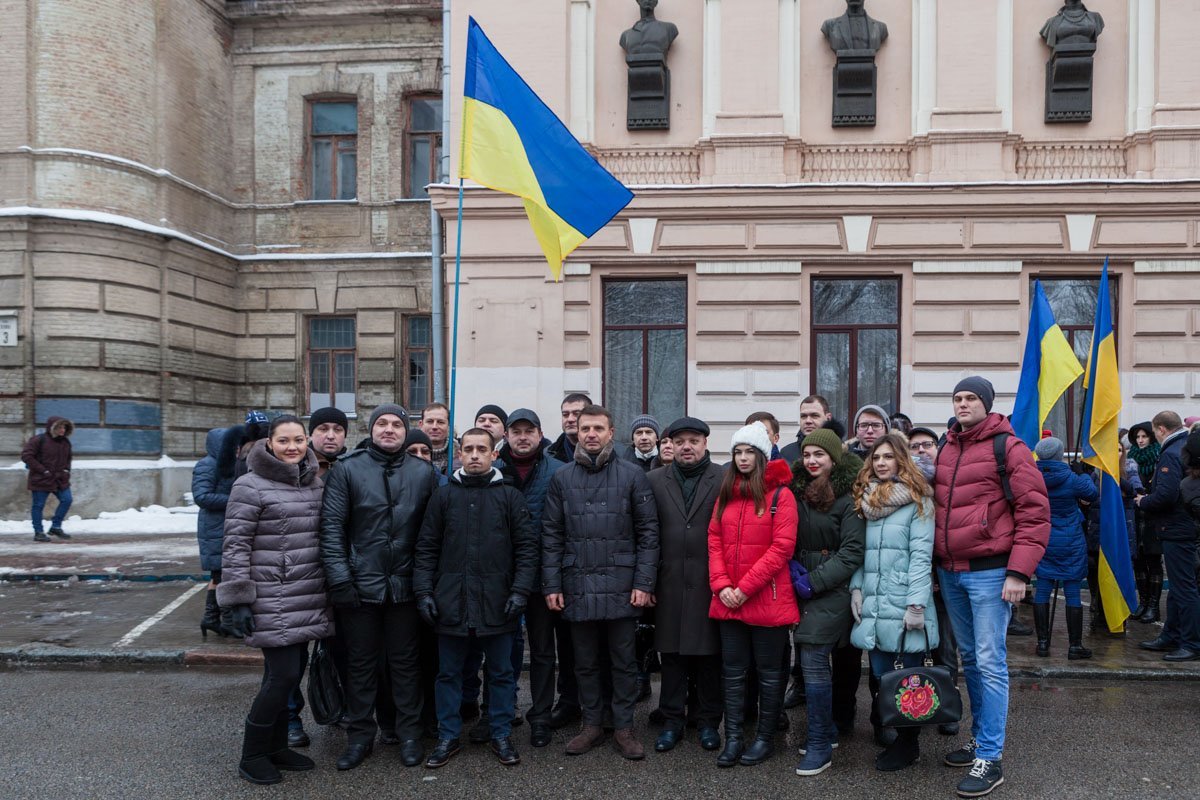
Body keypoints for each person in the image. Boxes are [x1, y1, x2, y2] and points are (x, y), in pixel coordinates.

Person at [934, 377, 1049, 798]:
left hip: (990, 573)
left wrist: (1019, 572)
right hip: (951, 572)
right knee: (970, 659)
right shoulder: (948, 447)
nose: (963, 404)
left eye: (971, 398)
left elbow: (1035, 512)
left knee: (989, 661)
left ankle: (990, 757)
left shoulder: (1009, 448)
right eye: (957, 398)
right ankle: (980, 738)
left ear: (986, 404)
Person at [319, 403, 440, 770]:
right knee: (361, 665)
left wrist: (424, 585)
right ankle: (360, 737)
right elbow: (332, 529)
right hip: (360, 586)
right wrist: (341, 579)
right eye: (382, 423)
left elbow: (432, 534)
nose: (389, 429)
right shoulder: (347, 469)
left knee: (406, 664)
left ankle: (409, 734)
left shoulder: (424, 473)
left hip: (405, 587)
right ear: (371, 430)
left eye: (396, 425)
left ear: (406, 431)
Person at [218, 415, 333, 785]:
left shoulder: (313, 482)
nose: (292, 447)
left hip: (307, 594)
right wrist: (238, 599)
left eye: (298, 440)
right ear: (269, 443)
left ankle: (278, 746)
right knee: (282, 675)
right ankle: (252, 755)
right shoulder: (249, 485)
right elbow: (235, 544)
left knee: (290, 674)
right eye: (284, 440)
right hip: (271, 595)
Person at [415, 428, 539, 769]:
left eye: (481, 449)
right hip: (451, 602)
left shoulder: (510, 497)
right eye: (468, 449)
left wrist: (520, 591)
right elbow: (426, 548)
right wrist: (424, 592)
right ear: (459, 453)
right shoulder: (443, 497)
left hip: (498, 602)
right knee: (449, 674)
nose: (474, 455)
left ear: (493, 454)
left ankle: (501, 732)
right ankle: (448, 735)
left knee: (500, 673)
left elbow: (526, 549)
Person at [542, 404, 659, 760]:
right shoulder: (562, 478)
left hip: (622, 584)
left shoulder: (632, 475)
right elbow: (551, 535)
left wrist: (644, 582)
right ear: (576, 432)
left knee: (623, 662)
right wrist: (552, 585)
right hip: (577, 583)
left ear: (611, 433)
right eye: (585, 428)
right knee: (585, 662)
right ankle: (592, 724)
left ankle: (623, 727)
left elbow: (648, 533)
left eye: (598, 428)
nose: (591, 434)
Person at [707, 422, 798, 768]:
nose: (743, 458)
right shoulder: (726, 495)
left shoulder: (780, 496)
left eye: (749, 452)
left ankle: (764, 739)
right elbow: (714, 540)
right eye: (737, 452)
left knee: (770, 674)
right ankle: (733, 738)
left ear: (762, 456)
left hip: (766, 600)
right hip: (728, 599)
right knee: (732, 672)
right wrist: (722, 586)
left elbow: (782, 548)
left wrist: (744, 589)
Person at [849, 432, 939, 772]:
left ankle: (908, 744)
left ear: (902, 460)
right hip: (874, 602)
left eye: (888, 457)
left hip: (903, 602)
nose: (881, 463)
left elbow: (921, 557)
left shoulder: (919, 501)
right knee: (881, 674)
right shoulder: (867, 500)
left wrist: (916, 605)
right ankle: (894, 732)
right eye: (876, 458)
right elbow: (861, 553)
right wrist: (856, 588)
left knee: (909, 679)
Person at [789, 427, 866, 777]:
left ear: (834, 458)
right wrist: (792, 566)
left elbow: (852, 552)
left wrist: (814, 581)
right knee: (810, 655)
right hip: (800, 584)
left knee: (813, 656)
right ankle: (829, 730)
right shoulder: (797, 491)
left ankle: (819, 742)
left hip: (833, 587)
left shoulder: (849, 498)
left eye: (819, 454)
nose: (811, 460)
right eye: (807, 455)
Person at [647, 417, 725, 753]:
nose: (686, 447)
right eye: (680, 442)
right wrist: (648, 581)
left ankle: (707, 721)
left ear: (705, 443)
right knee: (672, 657)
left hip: (710, 582)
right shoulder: (653, 480)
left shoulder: (723, 478)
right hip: (669, 582)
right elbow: (646, 533)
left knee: (709, 657)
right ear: (670, 445)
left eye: (693, 441)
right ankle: (672, 721)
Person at [497, 409, 572, 748]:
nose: (523, 437)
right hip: (502, 577)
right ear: (506, 436)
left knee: (543, 651)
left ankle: (540, 717)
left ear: (540, 435)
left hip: (544, 577)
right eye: (517, 431)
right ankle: (495, 715)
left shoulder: (558, 471)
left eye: (530, 431)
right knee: (498, 651)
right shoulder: (494, 470)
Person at [1136, 411, 1200, 662]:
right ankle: (1171, 635)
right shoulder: (1183, 446)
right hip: (1181, 527)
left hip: (1177, 529)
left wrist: (1143, 501)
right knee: (1177, 587)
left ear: (1161, 429)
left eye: (1153, 432)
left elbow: (1166, 495)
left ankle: (1192, 643)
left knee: (1184, 588)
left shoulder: (1171, 453)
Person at [1031, 437, 1098, 659]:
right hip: (1070, 541)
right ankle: (1075, 646)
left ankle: (1042, 643)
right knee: (1072, 591)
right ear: (1059, 455)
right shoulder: (1071, 478)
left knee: (1042, 589)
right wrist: (1083, 474)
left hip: (1043, 539)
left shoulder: (1032, 477)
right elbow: (1092, 493)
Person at [192, 426, 236, 638]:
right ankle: (227, 622)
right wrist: (235, 500)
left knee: (220, 575)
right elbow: (201, 496)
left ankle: (211, 618)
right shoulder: (207, 465)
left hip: (224, 527)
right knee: (222, 575)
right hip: (214, 528)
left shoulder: (227, 465)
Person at [1128, 421, 1163, 623]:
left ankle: (1153, 606)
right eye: (1138, 437)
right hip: (1135, 516)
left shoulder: (1158, 457)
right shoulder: (1131, 458)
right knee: (1138, 561)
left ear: (1151, 437)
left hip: (1153, 517)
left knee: (1153, 561)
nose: (1140, 441)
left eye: (1144, 436)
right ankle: (1143, 602)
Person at [21, 416, 74, 542]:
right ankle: (38, 532)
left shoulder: (65, 442)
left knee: (67, 500)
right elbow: (27, 456)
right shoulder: (39, 440)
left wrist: (66, 471)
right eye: (59, 427)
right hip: (41, 479)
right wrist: (43, 470)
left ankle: (56, 527)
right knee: (38, 505)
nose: (62, 430)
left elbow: (68, 459)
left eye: (64, 427)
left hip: (60, 479)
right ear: (52, 428)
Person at [780, 395, 833, 463]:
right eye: (803, 416)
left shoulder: (841, 450)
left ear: (828, 418)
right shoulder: (787, 453)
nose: (808, 421)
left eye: (814, 415)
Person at [547, 393, 592, 463]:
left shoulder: (608, 454)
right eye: (565, 414)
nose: (570, 419)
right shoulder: (547, 455)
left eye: (576, 414)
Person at [309, 407, 349, 478]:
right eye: (323, 429)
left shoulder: (355, 467)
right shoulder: (298, 467)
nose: (330, 436)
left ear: (344, 436)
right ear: (311, 435)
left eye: (337, 430)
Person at [419, 403, 455, 473]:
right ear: (421, 424)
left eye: (440, 422)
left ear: (449, 425)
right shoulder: (409, 453)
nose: (434, 427)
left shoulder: (460, 455)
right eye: (430, 421)